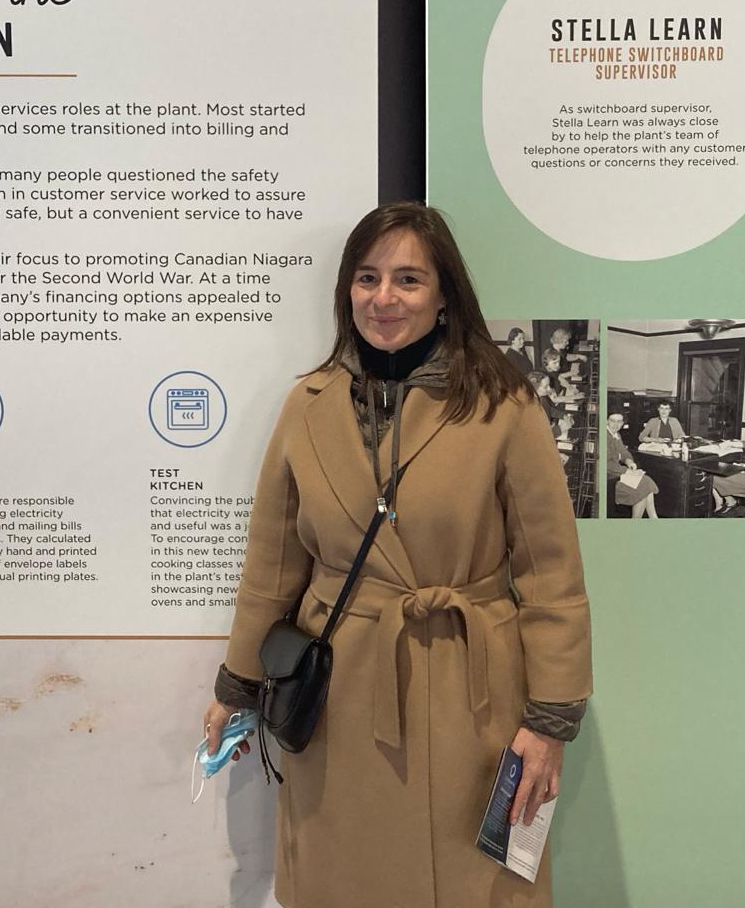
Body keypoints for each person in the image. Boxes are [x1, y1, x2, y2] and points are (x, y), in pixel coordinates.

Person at [200, 203, 593, 908]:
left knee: (477, 880)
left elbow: (551, 573)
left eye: (409, 279)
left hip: (472, 693)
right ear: (346, 290)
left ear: (444, 296)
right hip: (342, 691)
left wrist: (550, 719)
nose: (384, 298)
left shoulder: (503, 403)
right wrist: (237, 681)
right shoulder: (307, 405)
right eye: (368, 277)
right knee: (348, 875)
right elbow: (272, 566)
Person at [604, 412, 657, 519]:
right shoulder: (605, 436)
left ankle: (654, 518)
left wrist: (629, 461)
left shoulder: (616, 435)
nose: (615, 424)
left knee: (647, 482)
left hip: (617, 473)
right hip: (608, 479)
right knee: (642, 487)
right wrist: (627, 471)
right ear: (606, 421)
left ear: (623, 423)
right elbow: (606, 464)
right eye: (612, 421)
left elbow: (624, 452)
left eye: (619, 421)